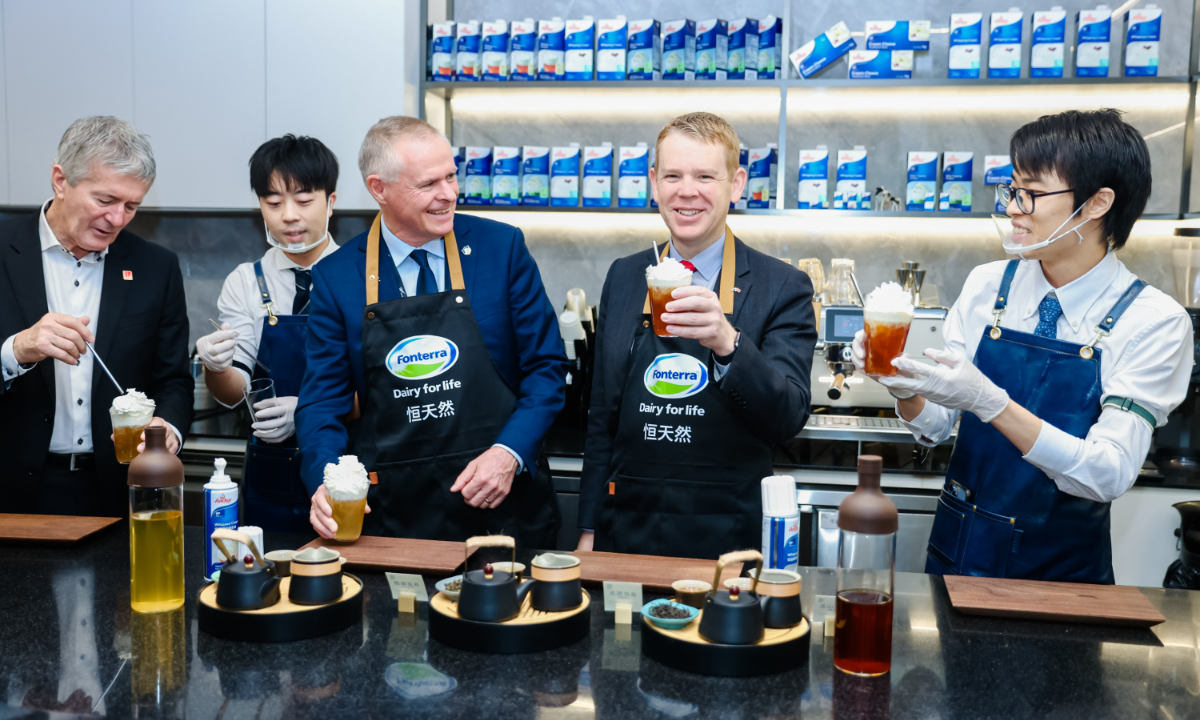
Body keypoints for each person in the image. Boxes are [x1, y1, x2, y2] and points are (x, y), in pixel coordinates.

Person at [853, 109, 1193, 584]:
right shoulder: (988, 285)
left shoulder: (1153, 321)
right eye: (1013, 190)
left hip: (1060, 577)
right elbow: (937, 424)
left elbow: (1107, 473)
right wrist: (902, 387)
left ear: (1097, 203)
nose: (1013, 207)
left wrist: (991, 403)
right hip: (956, 558)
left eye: (1031, 193)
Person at [297, 116, 567, 546]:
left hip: (504, 506)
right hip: (394, 515)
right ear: (378, 189)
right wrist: (324, 480)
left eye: (451, 176)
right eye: (428, 185)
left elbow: (547, 368)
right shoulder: (337, 277)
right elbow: (319, 407)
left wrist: (508, 453)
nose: (448, 194)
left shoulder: (502, 249)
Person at [577, 112, 817, 559]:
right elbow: (602, 416)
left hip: (727, 535)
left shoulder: (780, 285)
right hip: (628, 527)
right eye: (673, 175)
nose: (687, 191)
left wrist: (728, 343)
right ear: (653, 182)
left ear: (737, 184)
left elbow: (787, 418)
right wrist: (590, 525)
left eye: (705, 176)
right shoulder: (626, 276)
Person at [0, 116, 193, 516]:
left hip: (115, 491)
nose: (118, 219)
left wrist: (167, 430)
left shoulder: (156, 267)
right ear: (60, 180)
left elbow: (173, 379)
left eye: (132, 206)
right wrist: (15, 351)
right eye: (105, 201)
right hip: (12, 489)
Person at [194, 135, 341, 532]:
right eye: (273, 203)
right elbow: (233, 389)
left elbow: (378, 386)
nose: (289, 216)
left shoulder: (359, 275)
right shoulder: (245, 281)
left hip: (344, 468)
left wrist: (308, 409)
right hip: (270, 472)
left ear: (331, 201)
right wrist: (216, 366)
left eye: (304, 200)